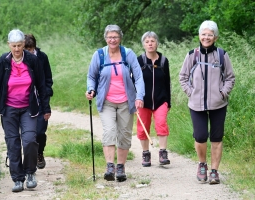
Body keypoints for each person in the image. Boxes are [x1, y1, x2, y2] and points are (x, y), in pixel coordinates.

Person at [0, 29, 51, 192]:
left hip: (28, 108)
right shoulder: (4, 60)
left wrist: (46, 108)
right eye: (14, 45)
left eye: (19, 45)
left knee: (30, 139)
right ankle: (17, 179)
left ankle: (30, 173)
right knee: (13, 143)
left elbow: (41, 85)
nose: (16, 49)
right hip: (9, 109)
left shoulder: (32, 60)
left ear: (24, 44)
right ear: (9, 45)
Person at [86, 24, 145, 182]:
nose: (112, 40)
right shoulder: (99, 55)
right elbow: (91, 76)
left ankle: (121, 167)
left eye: (115, 37)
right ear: (105, 38)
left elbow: (138, 77)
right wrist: (91, 89)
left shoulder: (128, 54)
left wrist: (139, 96)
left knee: (124, 135)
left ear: (120, 38)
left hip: (126, 101)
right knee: (109, 131)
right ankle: (110, 166)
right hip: (107, 102)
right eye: (110, 37)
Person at [179, 20, 235, 184]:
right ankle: (202, 164)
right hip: (196, 104)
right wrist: (191, 92)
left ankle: (215, 172)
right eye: (204, 34)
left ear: (215, 37)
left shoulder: (222, 55)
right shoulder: (192, 55)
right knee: (201, 136)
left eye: (210, 34)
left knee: (217, 138)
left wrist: (223, 93)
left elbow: (230, 77)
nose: (206, 37)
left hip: (218, 104)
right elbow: (182, 77)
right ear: (199, 36)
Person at [136, 31, 171, 167]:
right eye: (147, 41)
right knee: (142, 127)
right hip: (143, 101)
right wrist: (135, 99)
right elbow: (133, 81)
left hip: (161, 100)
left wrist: (168, 102)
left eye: (152, 41)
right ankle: (146, 154)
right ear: (144, 44)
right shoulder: (139, 61)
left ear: (157, 43)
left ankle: (163, 153)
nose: (150, 44)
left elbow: (167, 82)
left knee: (161, 123)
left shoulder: (163, 61)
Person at [24, 34, 53, 169]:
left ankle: (39, 152)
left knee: (40, 131)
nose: (28, 52)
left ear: (34, 48)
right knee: (29, 131)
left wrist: (46, 95)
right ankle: (30, 156)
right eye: (26, 49)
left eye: (30, 50)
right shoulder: (20, 58)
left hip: (41, 98)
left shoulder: (42, 57)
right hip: (25, 99)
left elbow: (48, 78)